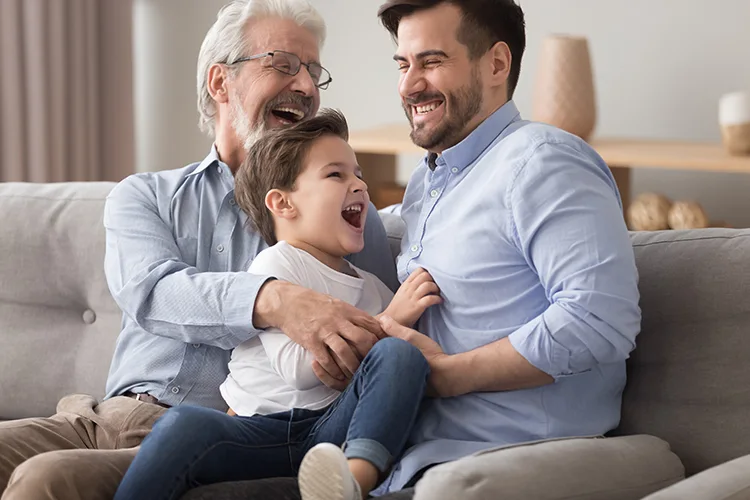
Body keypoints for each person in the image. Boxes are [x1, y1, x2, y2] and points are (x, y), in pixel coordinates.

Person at [0, 2, 399, 499]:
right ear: (220, 82)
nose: (306, 86)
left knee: (47, 480)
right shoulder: (145, 195)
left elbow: (386, 339)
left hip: (209, 437)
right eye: (283, 64)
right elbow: (151, 293)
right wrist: (272, 301)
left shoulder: (344, 217)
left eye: (314, 71)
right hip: (95, 417)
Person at [362, 0, 641, 495]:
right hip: (404, 460)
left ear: (496, 64)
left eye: (431, 61)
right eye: (403, 65)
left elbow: (599, 319)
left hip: (495, 464)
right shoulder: (431, 184)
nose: (408, 85)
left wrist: (448, 376)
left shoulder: (543, 163)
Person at [114, 109, 442, 500]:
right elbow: (302, 371)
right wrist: (391, 320)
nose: (359, 185)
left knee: (400, 357)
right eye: (336, 174)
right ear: (283, 204)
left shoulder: (372, 287)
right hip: (260, 431)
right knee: (183, 425)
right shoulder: (277, 266)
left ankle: (352, 481)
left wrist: (397, 332)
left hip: (330, 434)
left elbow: (396, 368)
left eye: (359, 174)